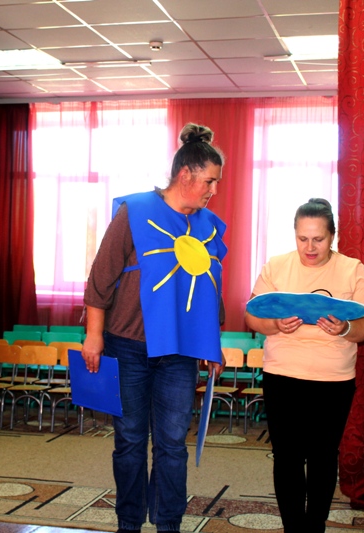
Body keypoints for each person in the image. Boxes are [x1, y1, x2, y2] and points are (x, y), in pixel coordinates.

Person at [82, 123, 228, 533]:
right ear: (185, 175)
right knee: (129, 441)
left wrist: (212, 344)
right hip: (128, 346)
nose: (213, 190)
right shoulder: (135, 211)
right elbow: (101, 278)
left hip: (180, 352)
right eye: (209, 181)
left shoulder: (208, 226)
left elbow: (210, 290)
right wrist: (94, 335)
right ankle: (128, 523)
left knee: (172, 445)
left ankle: (168, 524)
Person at [244, 198, 364, 533]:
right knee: (287, 457)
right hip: (282, 376)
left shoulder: (353, 270)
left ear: (333, 236)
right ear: (294, 234)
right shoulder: (277, 266)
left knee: (323, 456)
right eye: (302, 238)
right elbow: (252, 316)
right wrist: (275, 325)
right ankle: (293, 528)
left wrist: (345, 328)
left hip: (333, 380)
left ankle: (314, 526)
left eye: (318, 239)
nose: (309, 247)